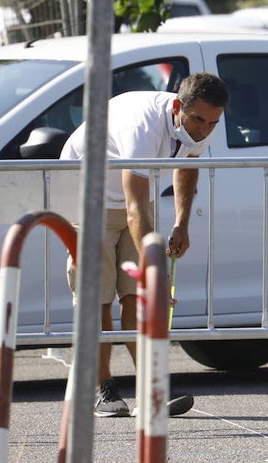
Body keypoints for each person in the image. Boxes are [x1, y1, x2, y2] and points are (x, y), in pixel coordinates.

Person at [61, 71, 230, 418]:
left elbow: (188, 166)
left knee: (136, 300)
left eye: (212, 123)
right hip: (88, 198)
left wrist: (181, 223)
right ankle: (103, 388)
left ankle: (150, 389)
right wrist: (156, 275)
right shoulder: (143, 127)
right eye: (198, 119)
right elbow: (135, 207)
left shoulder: (202, 122)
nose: (204, 130)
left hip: (136, 200)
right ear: (177, 106)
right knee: (99, 299)